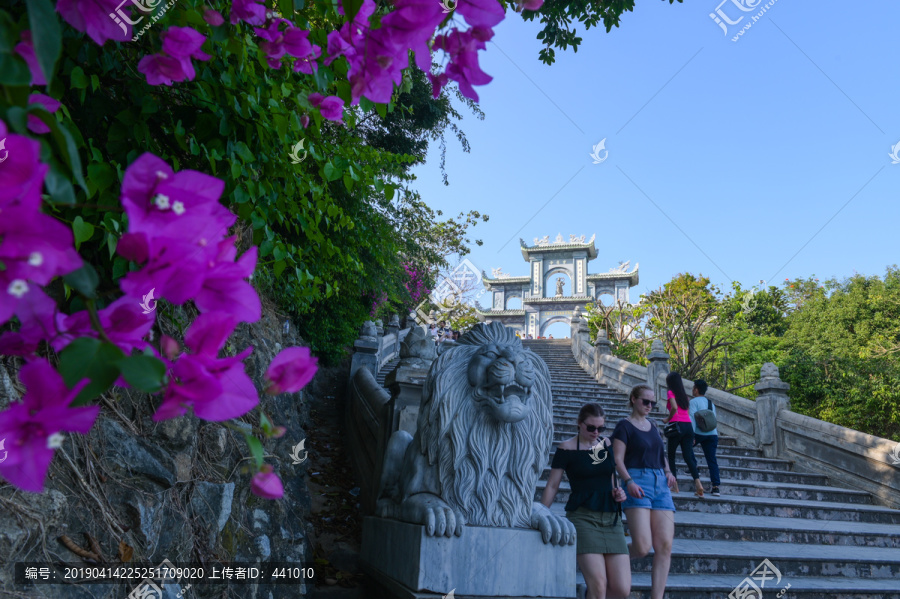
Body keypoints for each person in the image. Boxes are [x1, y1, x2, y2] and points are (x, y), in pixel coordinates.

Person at [541, 403, 630, 599]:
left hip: (611, 518)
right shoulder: (567, 449)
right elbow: (552, 485)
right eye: (591, 427)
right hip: (583, 517)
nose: (596, 432)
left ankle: (585, 594)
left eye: (600, 428)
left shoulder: (604, 444)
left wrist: (619, 492)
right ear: (579, 424)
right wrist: (541, 513)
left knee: (622, 589)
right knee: (599, 586)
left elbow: (609, 476)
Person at [612, 385, 676, 599]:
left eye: (653, 403)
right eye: (645, 401)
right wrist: (627, 480)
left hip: (660, 483)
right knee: (641, 547)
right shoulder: (624, 426)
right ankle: (611, 559)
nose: (649, 406)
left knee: (665, 545)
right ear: (633, 399)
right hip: (637, 480)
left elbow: (661, 453)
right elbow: (617, 459)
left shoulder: (654, 425)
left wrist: (668, 471)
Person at [663, 372, 704, 497]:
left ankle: (674, 486)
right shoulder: (684, 396)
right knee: (688, 457)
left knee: (671, 456)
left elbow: (674, 408)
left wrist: (667, 419)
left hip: (677, 426)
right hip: (688, 427)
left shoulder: (671, 393)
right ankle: (698, 485)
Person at [689, 379, 720, 496]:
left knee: (687, 447)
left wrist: (691, 435)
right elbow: (713, 419)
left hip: (698, 433)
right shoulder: (710, 403)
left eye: (693, 388)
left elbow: (692, 418)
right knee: (712, 460)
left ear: (696, 390)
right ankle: (716, 487)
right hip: (712, 434)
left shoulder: (693, 402)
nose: (692, 390)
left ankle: (694, 466)